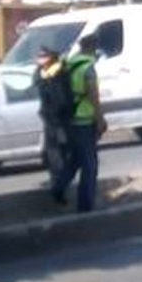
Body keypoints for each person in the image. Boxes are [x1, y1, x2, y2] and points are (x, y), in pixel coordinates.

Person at [52, 33, 107, 212]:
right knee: (90, 166)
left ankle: (58, 188)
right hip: (84, 121)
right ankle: (85, 205)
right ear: (93, 48)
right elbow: (93, 95)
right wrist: (100, 119)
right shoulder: (88, 68)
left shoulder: (69, 63)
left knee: (75, 160)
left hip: (69, 119)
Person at [34, 46, 72, 187]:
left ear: (51, 58)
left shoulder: (58, 74)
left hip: (59, 119)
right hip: (50, 118)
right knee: (51, 152)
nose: (40, 60)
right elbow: (37, 80)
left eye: (43, 57)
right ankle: (58, 178)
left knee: (58, 150)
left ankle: (60, 180)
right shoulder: (44, 73)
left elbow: (61, 99)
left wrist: (57, 114)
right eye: (39, 57)